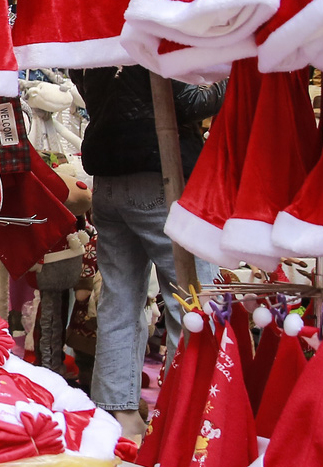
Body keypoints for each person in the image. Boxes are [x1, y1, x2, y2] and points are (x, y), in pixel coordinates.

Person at [69, 67, 224, 439]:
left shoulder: (100, 31)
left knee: (120, 297)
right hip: (160, 170)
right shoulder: (156, 17)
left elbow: (85, 82)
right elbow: (188, 100)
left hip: (108, 176)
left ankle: (118, 414)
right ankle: (184, 418)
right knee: (190, 299)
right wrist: (228, 79)